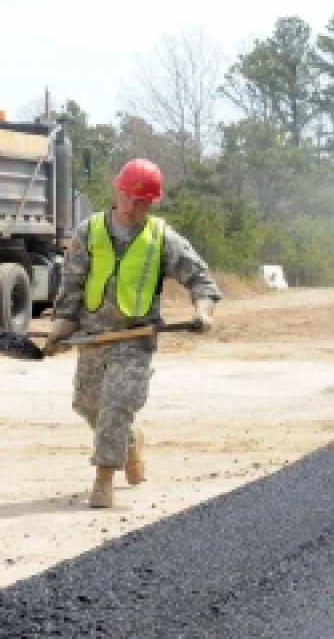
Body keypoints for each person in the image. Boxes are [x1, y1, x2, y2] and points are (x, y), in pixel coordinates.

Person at [45, 159, 222, 508]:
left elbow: (201, 280)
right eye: (129, 197)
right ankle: (129, 442)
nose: (133, 207)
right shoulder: (89, 232)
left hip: (135, 339)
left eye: (142, 202)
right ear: (117, 190)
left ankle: (104, 478)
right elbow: (72, 285)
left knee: (116, 405)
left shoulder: (161, 238)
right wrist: (60, 328)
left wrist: (203, 311)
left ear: (152, 203)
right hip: (94, 337)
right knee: (87, 405)